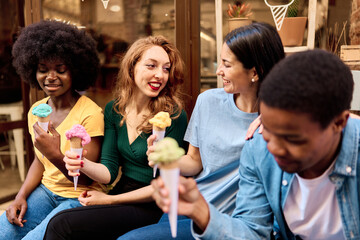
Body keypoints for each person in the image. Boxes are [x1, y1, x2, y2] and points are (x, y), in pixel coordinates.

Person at [152, 49, 360, 240]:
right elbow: (253, 230)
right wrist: (201, 212)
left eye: (292, 139)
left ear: (339, 123)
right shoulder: (258, 148)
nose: (275, 149)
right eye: (268, 131)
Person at [119, 22, 285, 240]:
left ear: (254, 71)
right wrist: (165, 158)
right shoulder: (208, 101)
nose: (218, 71)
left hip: (229, 222)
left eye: (227, 64)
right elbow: (194, 162)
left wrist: (277, 119)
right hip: (188, 206)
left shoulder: (280, 123)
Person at [43, 35, 188, 239]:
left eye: (166, 68)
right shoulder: (115, 110)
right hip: (121, 192)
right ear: (132, 67)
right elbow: (109, 170)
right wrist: (81, 162)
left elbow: (166, 185)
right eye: (151, 66)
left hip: (153, 203)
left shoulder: (173, 115)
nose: (160, 75)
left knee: (62, 224)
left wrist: (108, 200)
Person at [0, 20, 105, 240]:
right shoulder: (37, 112)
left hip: (79, 197)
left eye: (61, 70)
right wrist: (20, 196)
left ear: (75, 71)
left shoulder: (90, 114)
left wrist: (54, 153)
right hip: (46, 192)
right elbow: (40, 161)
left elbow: (85, 180)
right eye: (43, 70)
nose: (51, 76)